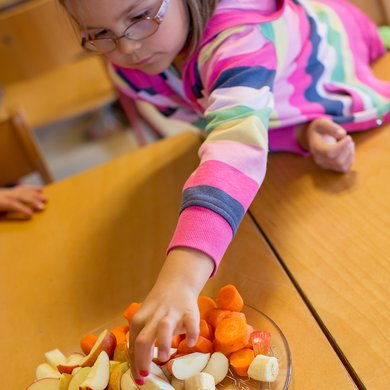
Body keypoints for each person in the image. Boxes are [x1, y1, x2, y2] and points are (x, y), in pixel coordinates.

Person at [60, 0, 390, 384]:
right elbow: (231, 117)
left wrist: (179, 280)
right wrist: (297, 133)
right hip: (270, 95)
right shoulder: (140, 56)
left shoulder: (238, 42)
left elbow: (236, 146)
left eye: (138, 17)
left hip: (337, 50)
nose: (127, 47)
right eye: (100, 34)